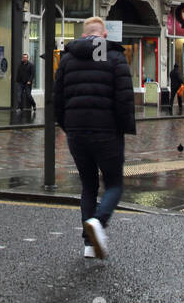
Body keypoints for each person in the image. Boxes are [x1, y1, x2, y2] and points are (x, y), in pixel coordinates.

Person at [54, 17, 134, 260]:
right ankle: (98, 222)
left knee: (88, 185)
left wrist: (68, 127)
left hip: (77, 133)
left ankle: (89, 245)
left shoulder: (67, 59)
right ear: (103, 35)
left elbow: (57, 99)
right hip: (107, 132)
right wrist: (123, 129)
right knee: (114, 184)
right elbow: (124, 99)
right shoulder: (114, 57)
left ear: (83, 35)